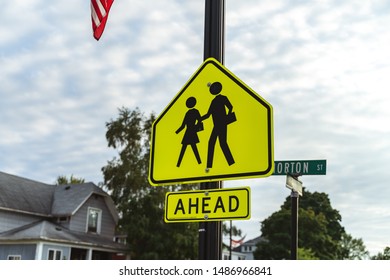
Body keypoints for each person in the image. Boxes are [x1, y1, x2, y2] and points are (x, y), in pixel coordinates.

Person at [201, 82, 235, 168]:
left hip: (221, 124)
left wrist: (226, 117)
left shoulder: (223, 98)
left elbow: (230, 107)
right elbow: (208, 114)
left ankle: (231, 163)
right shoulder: (214, 101)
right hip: (217, 125)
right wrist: (200, 119)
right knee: (213, 143)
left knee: (221, 143)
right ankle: (209, 166)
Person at [175, 96, 203, 167]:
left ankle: (179, 164)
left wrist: (176, 132)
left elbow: (183, 126)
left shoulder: (189, 113)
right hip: (191, 132)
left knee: (189, 148)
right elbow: (199, 120)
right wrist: (176, 133)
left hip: (189, 132)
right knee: (190, 148)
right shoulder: (192, 112)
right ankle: (179, 164)